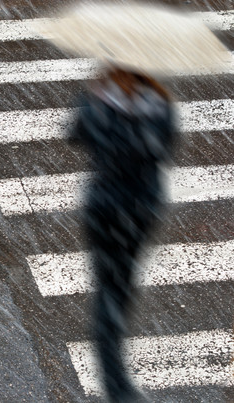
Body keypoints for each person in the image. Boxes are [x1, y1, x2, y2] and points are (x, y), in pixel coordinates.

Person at [71, 66, 175, 402]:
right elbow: (161, 148)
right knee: (114, 293)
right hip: (124, 212)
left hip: (119, 211)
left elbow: (77, 135)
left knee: (115, 292)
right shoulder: (158, 106)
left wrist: (103, 105)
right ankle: (117, 386)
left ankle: (115, 379)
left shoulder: (104, 103)